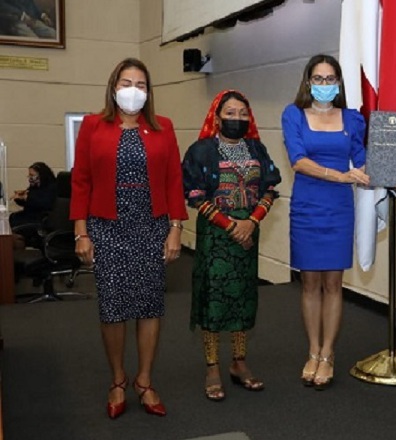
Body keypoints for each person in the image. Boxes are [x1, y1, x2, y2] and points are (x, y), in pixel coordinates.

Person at [70, 58, 187, 419]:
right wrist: (81, 231)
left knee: (150, 305)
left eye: (140, 84)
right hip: (107, 229)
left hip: (151, 228)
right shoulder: (93, 126)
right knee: (114, 307)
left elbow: (173, 182)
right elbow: (82, 181)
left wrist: (175, 229)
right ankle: (118, 380)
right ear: (113, 86)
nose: (132, 90)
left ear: (148, 92)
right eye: (126, 82)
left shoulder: (163, 127)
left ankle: (145, 380)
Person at [182, 90, 281, 401]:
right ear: (217, 116)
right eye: (230, 113)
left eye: (242, 113)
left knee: (243, 298)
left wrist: (250, 223)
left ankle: (239, 363)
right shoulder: (200, 151)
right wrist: (231, 226)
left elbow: (269, 189)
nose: (236, 119)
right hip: (215, 236)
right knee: (213, 299)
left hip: (248, 235)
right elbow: (196, 196)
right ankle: (212, 367)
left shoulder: (257, 149)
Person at [281, 54, 370, 391]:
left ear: (339, 83)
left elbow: (361, 160)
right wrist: (339, 174)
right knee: (309, 284)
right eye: (317, 79)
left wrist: (383, 168)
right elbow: (298, 161)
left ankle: (328, 354)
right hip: (307, 206)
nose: (324, 85)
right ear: (308, 83)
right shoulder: (293, 114)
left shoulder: (352, 118)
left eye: (330, 78)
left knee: (333, 284)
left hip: (339, 209)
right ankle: (313, 351)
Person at [10, 162, 57, 246]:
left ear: (41, 175)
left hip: (41, 218)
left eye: (32, 175)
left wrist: (27, 198)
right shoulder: (34, 186)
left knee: (16, 224)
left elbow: (45, 204)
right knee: (12, 218)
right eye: (29, 175)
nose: (30, 178)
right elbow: (29, 203)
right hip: (30, 215)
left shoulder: (52, 187)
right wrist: (19, 198)